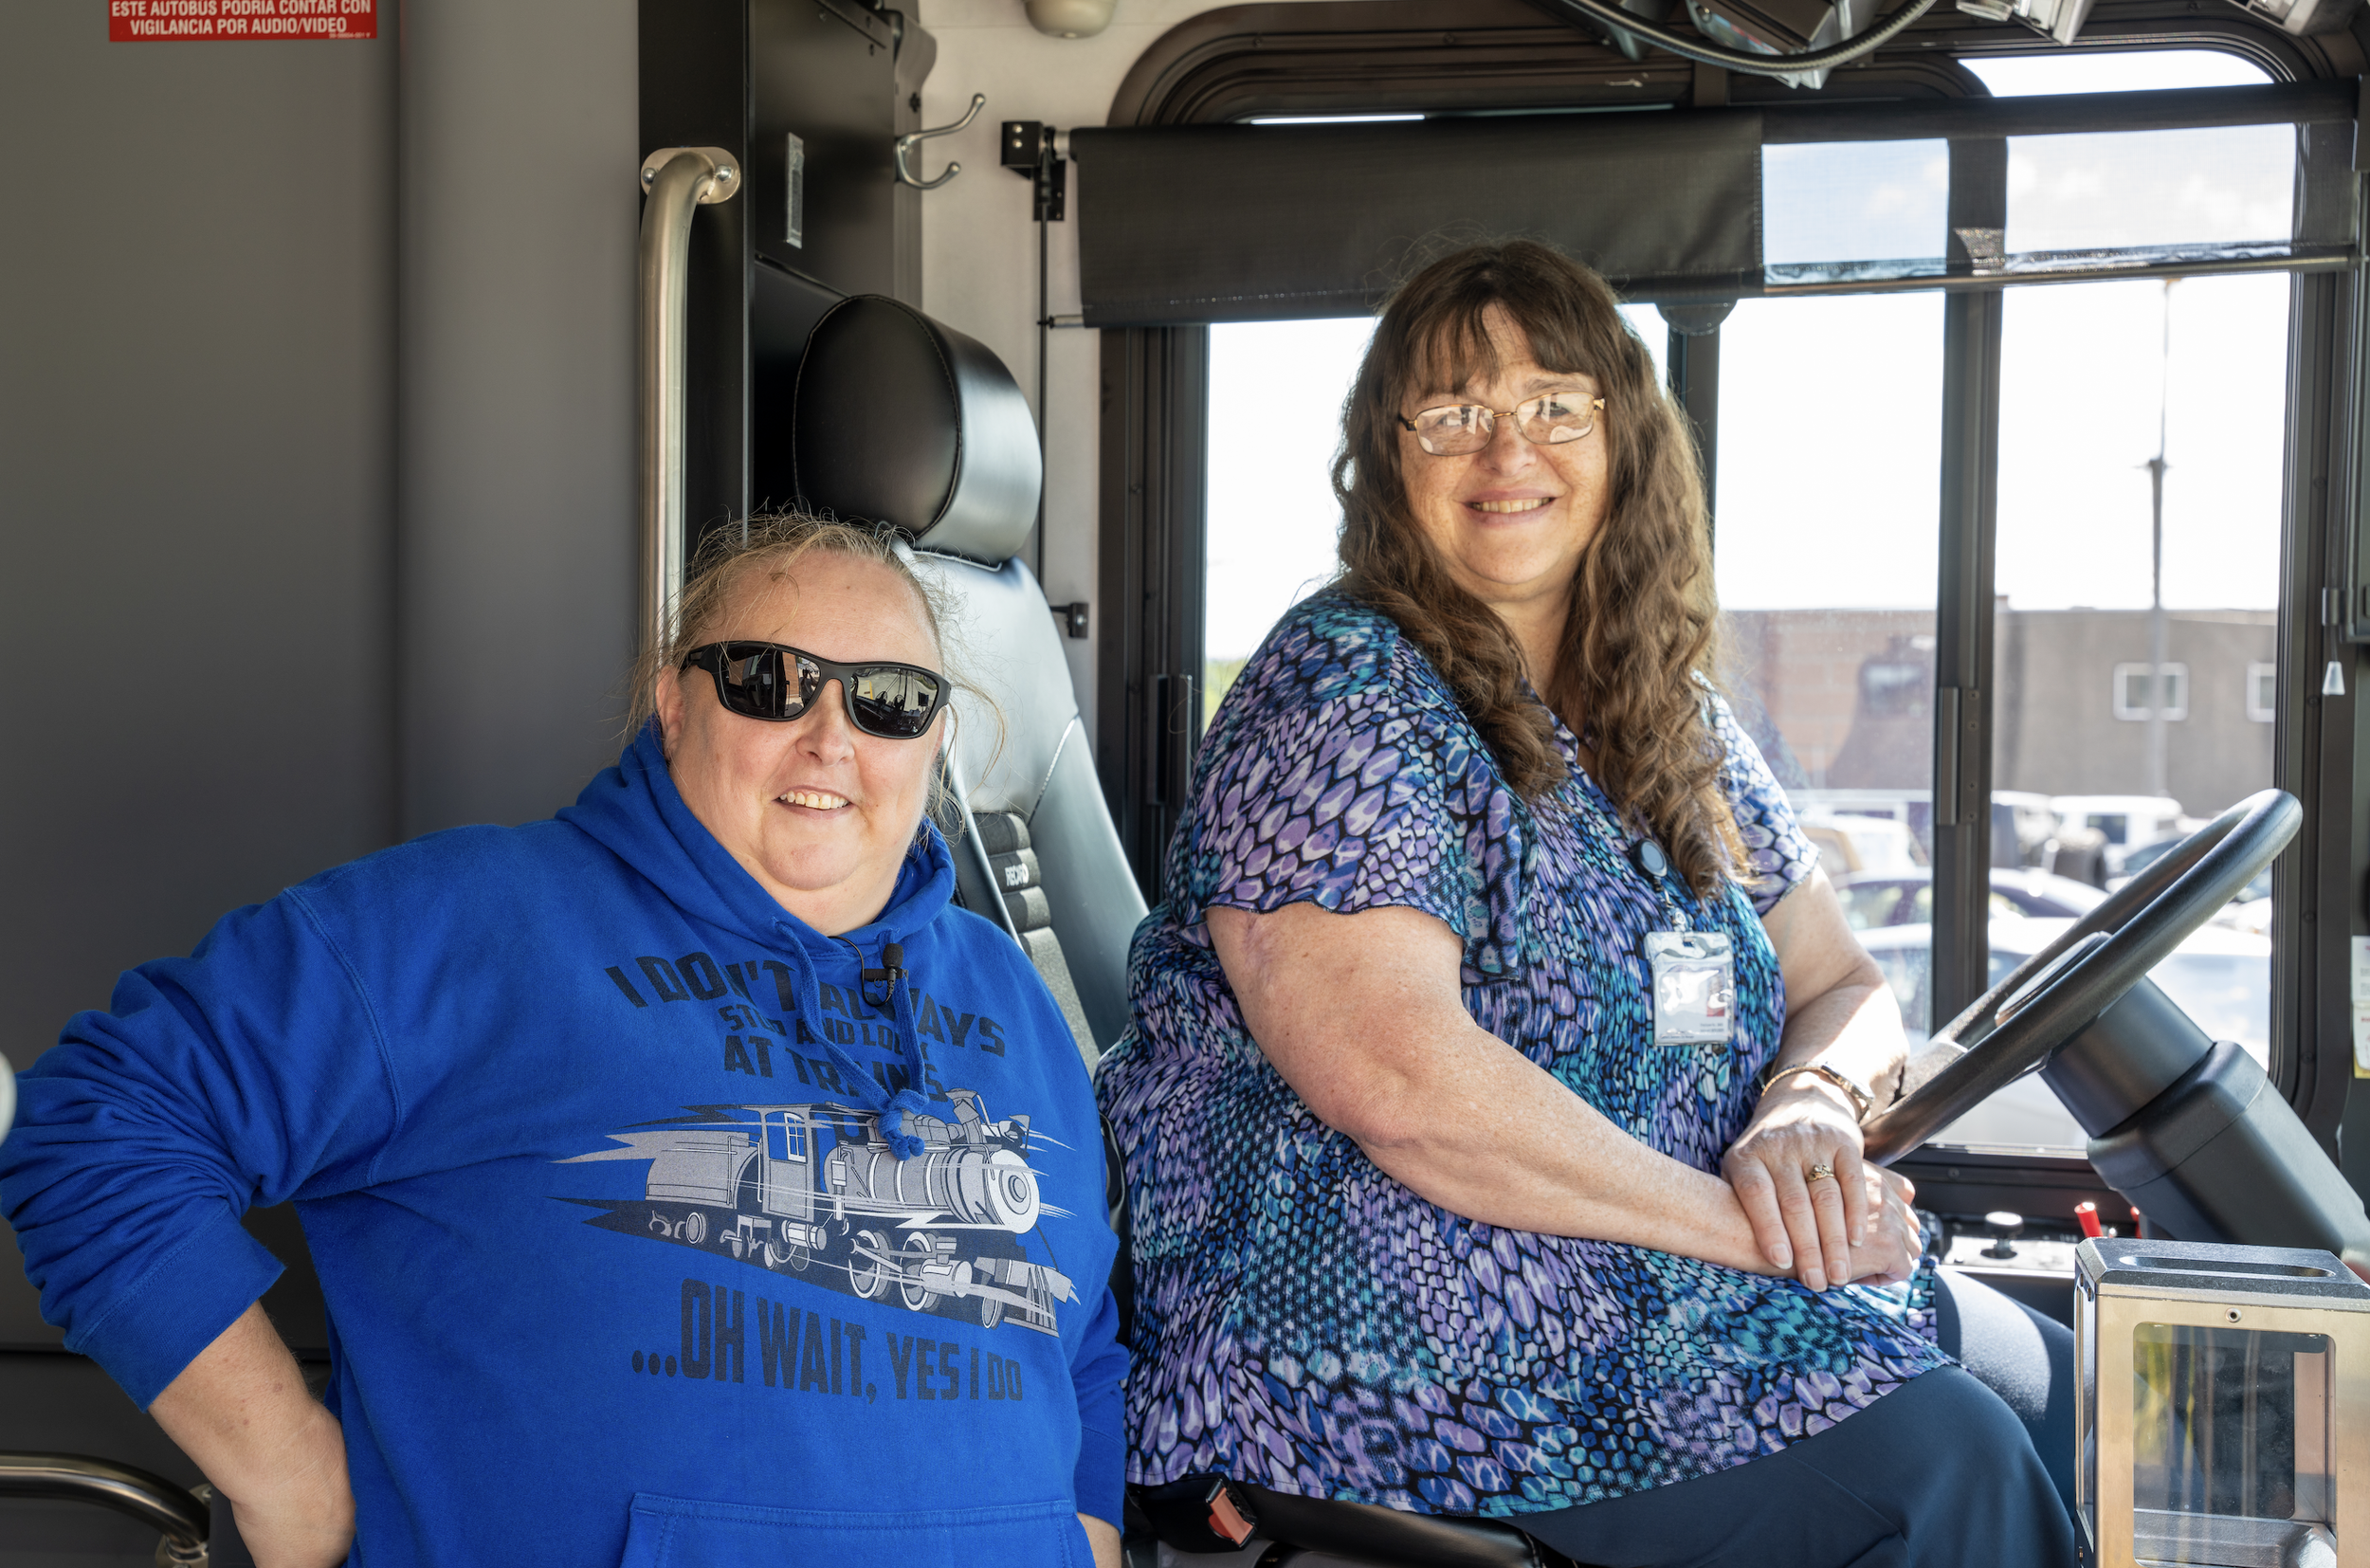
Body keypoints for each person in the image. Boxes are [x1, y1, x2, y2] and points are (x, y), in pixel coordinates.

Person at [1095, 242, 2075, 1567]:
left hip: (1657, 1288)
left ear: (1626, 438)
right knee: (1947, 1468)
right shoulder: (1339, 688)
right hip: (1383, 1343)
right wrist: (1748, 1226)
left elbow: (1844, 984)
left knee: (2063, 1382)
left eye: (1555, 404)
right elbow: (1404, 1085)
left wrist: (1806, 1106)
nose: (1509, 451)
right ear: (1392, 460)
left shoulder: (1672, 718)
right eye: (1454, 415)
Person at [1, 517, 1126, 1567]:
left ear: (934, 732)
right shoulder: (468, 922)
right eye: (770, 681)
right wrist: (288, 1474)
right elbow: (99, 1123)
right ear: (671, 703)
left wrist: (1085, 1528)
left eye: (889, 697)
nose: (831, 734)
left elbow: (1076, 1331)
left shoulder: (1004, 989)